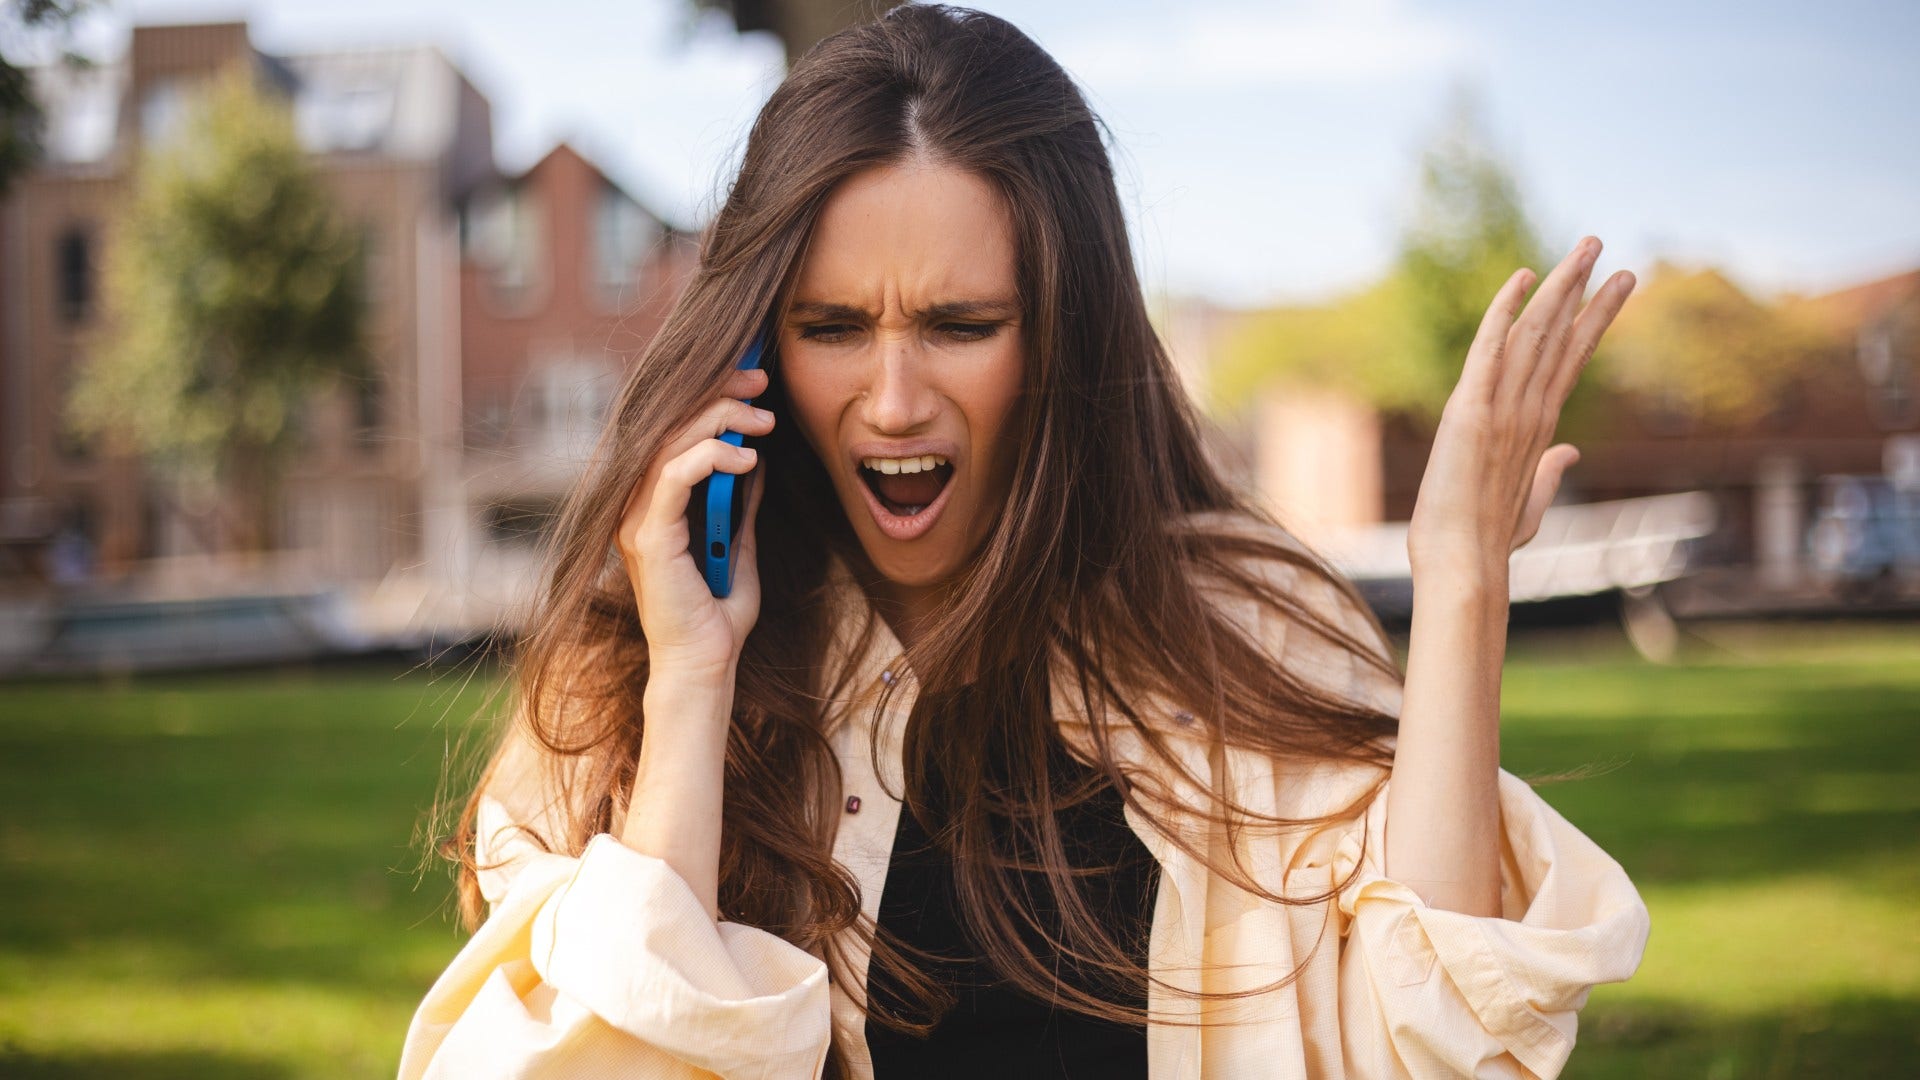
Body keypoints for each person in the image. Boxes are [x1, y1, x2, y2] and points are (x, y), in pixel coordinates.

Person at [396, 5, 1649, 1078]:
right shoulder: (632, 678)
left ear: (1064, 336)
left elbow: (1434, 1049)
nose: (892, 401)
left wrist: (1466, 582)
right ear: (755, 354)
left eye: (959, 322)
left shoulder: (1250, 625)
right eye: (832, 325)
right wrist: (692, 685)